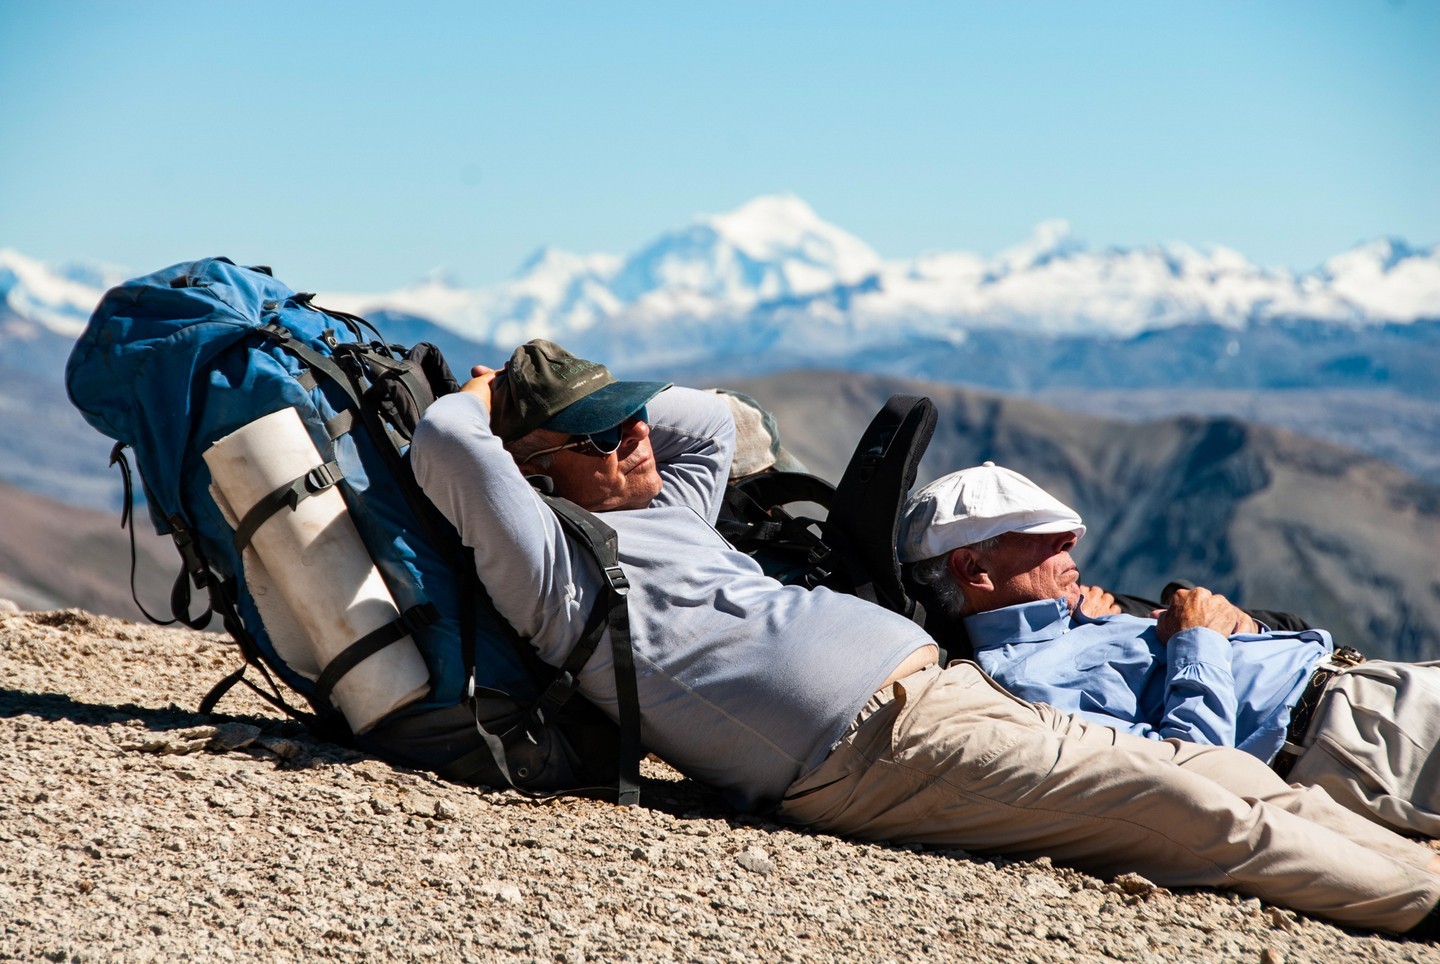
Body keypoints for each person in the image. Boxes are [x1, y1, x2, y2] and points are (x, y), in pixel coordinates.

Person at [409, 339, 1440, 938]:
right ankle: (1421, 908)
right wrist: (491, 398)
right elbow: (451, 440)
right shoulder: (550, 568)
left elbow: (709, 422)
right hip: (867, 752)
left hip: (938, 697)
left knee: (1218, 771)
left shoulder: (665, 506)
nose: (636, 435)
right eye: (602, 434)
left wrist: (582, 386)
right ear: (533, 467)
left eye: (629, 417)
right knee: (1188, 810)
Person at [898, 461, 1440, 840]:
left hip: (1368, 688)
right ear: (974, 568)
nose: (1070, 540)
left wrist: (1238, 626)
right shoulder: (1027, 685)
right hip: (1355, 739)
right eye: (1038, 532)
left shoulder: (1076, 618)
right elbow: (1191, 775)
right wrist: (1197, 637)